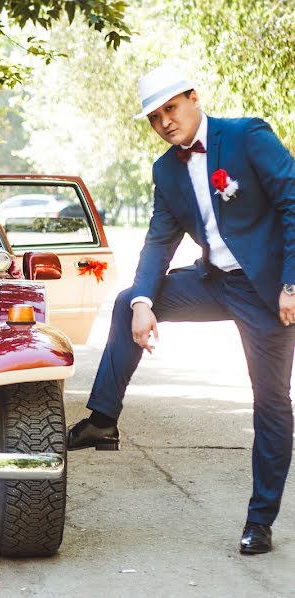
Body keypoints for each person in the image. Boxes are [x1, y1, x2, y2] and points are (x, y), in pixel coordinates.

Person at [66, 64, 295, 554]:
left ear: (193, 97)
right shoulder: (166, 169)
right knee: (131, 299)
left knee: (271, 402)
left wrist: (292, 283)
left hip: (268, 290)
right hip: (214, 282)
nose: (165, 122)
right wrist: (147, 302)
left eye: (171, 108)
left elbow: (294, 203)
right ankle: (104, 418)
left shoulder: (247, 135)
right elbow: (159, 239)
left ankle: (260, 521)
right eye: (154, 117)